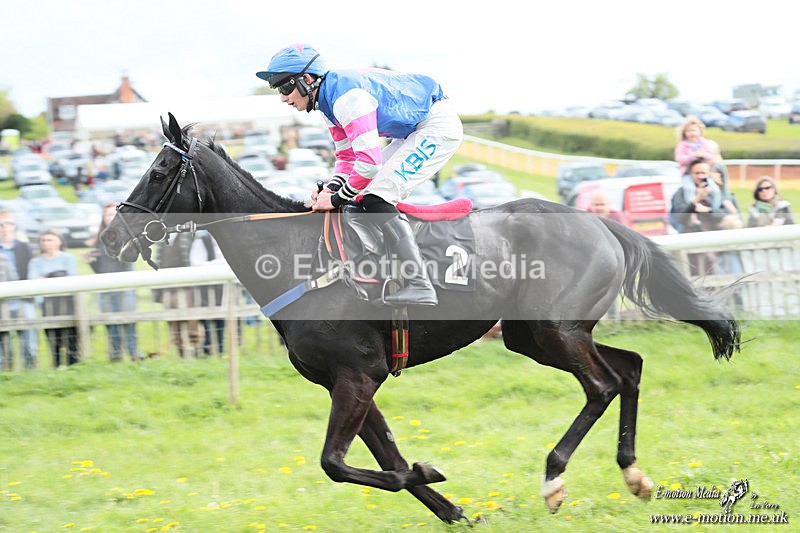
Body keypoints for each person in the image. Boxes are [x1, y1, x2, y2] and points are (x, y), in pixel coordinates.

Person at [256, 43, 464, 306]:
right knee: (361, 195)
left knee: (376, 196)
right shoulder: (326, 102)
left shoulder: (347, 99)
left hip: (435, 126)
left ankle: (419, 283)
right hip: (411, 131)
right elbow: (347, 159)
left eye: (285, 87)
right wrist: (332, 188)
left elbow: (368, 164)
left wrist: (334, 200)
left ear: (306, 80)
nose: (284, 98)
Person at [83, 203, 141, 362]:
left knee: (129, 321)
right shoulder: (100, 238)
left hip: (124, 285)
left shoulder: (128, 233)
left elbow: (128, 260)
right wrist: (90, 261)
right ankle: (115, 354)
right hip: (106, 287)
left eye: (113, 214)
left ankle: (134, 352)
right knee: (110, 322)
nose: (109, 218)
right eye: (107, 215)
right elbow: (100, 269)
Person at [28, 229, 79, 367]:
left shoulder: (68, 258)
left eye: (50, 240)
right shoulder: (36, 261)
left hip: (68, 305)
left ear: (59, 242)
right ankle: (56, 365)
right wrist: (57, 275)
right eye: (43, 240)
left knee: (71, 338)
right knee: (53, 339)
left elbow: (72, 279)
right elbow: (33, 281)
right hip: (47, 305)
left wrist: (46, 277)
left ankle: (74, 366)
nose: (46, 243)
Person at [0, 210, 38, 370]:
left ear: (14, 226)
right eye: (1, 225)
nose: (4, 228)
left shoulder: (25, 248)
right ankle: (5, 373)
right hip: (2, 302)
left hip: (23, 299)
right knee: (3, 341)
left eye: (8, 224)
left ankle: (30, 370)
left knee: (29, 340)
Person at [154, 232, 202, 358]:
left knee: (190, 320)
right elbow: (158, 262)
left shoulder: (187, 236)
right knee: (173, 322)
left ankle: (196, 351)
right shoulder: (161, 238)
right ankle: (181, 353)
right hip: (167, 286)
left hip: (185, 286)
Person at [189, 230, 226, 356]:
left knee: (220, 318)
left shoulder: (223, 239)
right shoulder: (201, 240)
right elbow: (195, 263)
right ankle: (208, 347)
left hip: (220, 286)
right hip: (205, 287)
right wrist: (217, 265)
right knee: (206, 318)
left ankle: (220, 348)